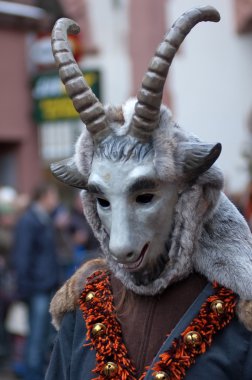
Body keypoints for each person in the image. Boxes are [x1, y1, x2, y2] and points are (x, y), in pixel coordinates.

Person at [46, 6, 252, 380]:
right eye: (104, 202)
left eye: (144, 197)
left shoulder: (238, 316)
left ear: (187, 195)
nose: (121, 245)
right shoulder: (83, 310)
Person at [12, 183, 60, 380]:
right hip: (36, 288)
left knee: (42, 338)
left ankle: (38, 373)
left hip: (46, 285)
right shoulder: (29, 221)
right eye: (53, 196)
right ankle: (33, 376)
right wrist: (24, 289)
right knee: (36, 337)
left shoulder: (43, 219)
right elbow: (22, 257)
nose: (55, 201)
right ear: (44, 197)